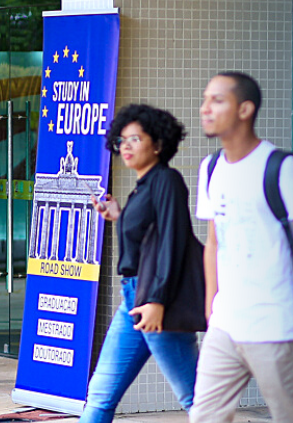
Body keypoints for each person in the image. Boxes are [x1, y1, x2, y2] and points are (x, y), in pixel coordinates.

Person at [189, 71, 293, 423]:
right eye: (205, 99)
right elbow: (213, 242)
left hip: (276, 325)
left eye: (217, 100)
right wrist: (211, 307)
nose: (205, 108)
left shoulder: (282, 168)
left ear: (245, 110)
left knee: (291, 417)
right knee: (204, 417)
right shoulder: (210, 168)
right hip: (225, 325)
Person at [79, 104, 199, 423]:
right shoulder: (142, 186)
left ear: (157, 144)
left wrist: (157, 301)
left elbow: (173, 242)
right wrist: (118, 216)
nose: (126, 146)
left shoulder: (167, 181)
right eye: (122, 140)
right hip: (132, 298)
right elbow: (147, 239)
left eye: (136, 139)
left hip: (156, 300)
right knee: (100, 395)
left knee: (196, 399)